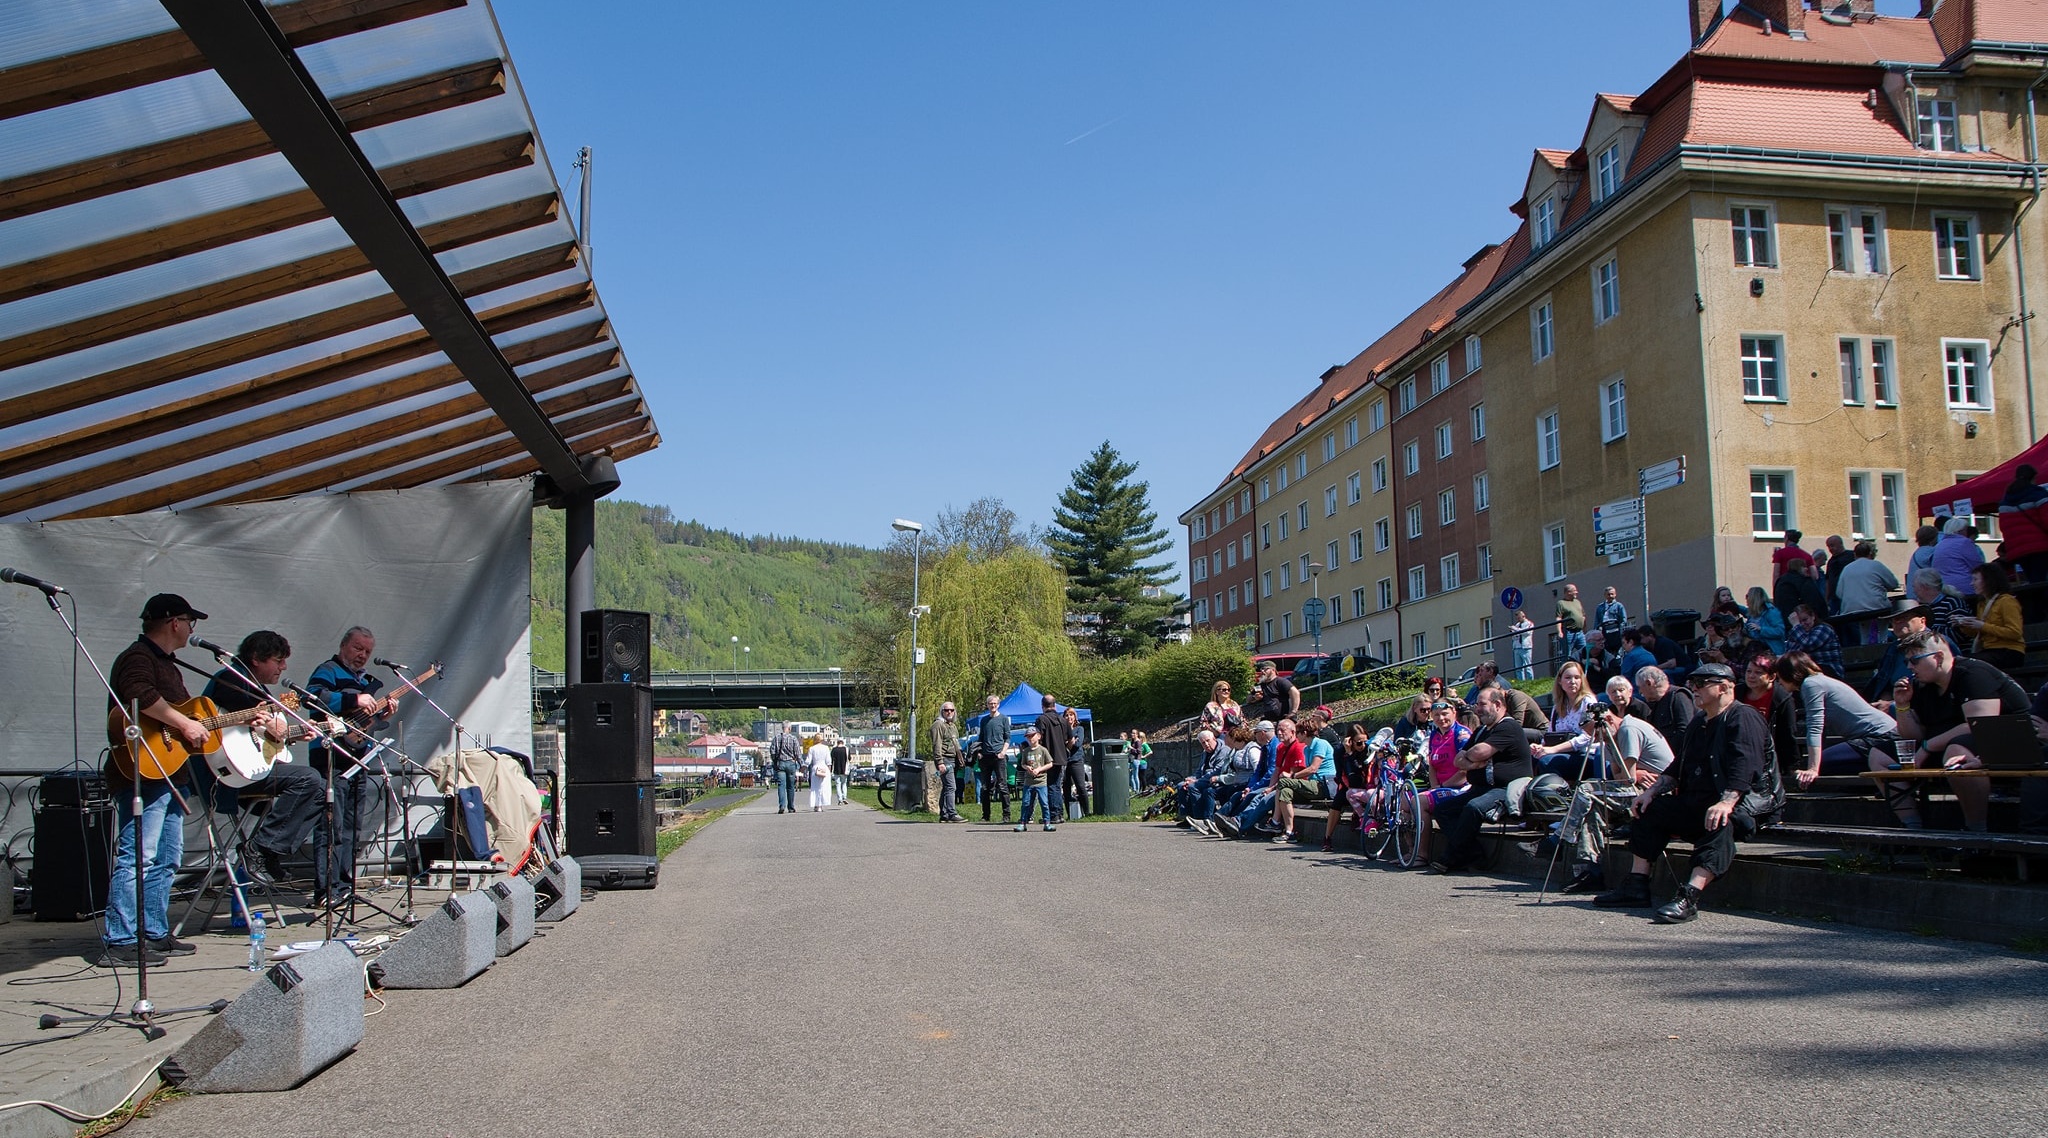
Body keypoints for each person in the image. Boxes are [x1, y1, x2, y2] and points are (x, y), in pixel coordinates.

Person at [1597, 662, 1783, 923]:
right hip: (1698, 800)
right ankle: (1636, 886)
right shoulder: (1700, 720)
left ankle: (1690, 896)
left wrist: (1726, 802)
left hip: (1745, 804)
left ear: (1724, 687)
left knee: (1719, 821)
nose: (1693, 689)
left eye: (1701, 684)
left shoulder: (1744, 717)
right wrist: (1652, 792)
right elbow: (1678, 764)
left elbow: (1746, 767)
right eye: (1692, 683)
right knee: (1648, 810)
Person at [101, 594, 213, 966]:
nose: (191, 630)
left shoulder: (168, 664)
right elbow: (137, 695)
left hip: (169, 772)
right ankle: (120, 937)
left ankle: (152, 930)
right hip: (143, 771)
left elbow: (190, 720)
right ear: (175, 623)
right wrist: (182, 723)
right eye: (190, 622)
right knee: (139, 855)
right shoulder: (138, 658)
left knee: (166, 857)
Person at [200, 630, 326, 887]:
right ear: (256, 658)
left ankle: (270, 848)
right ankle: (261, 847)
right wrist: (273, 725)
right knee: (309, 779)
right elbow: (249, 718)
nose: (284, 667)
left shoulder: (254, 687)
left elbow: (252, 737)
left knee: (324, 789)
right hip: (224, 775)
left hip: (246, 770)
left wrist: (291, 735)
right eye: (278, 660)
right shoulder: (230, 678)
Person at [1891, 630, 2028, 831]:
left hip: (2009, 743)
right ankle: (1913, 828)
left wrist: (1928, 747)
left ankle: (1977, 831)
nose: (1910, 667)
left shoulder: (1974, 674)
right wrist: (1901, 706)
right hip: (1952, 744)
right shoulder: (1921, 685)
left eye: (1915, 660)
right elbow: (1912, 736)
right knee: (1879, 755)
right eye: (1907, 662)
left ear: (1938, 657)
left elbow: (1980, 725)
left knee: (1956, 754)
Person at [305, 626, 399, 904]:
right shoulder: (328, 670)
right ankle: (327, 890)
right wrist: (352, 698)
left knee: (351, 826)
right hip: (330, 755)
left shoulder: (367, 680)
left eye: (368, 652)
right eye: (358, 648)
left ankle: (345, 886)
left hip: (358, 757)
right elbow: (311, 698)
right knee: (330, 824)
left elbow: (364, 720)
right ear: (344, 645)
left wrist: (383, 710)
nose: (362, 655)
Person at [1554, 698, 1675, 894]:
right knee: (1592, 809)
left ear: (1608, 720)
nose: (1596, 738)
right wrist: (1634, 774)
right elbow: (1621, 775)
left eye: (1596, 732)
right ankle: (1592, 873)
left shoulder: (1628, 729)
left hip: (1656, 793)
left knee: (1586, 789)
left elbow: (1625, 778)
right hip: (1637, 790)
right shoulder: (1611, 739)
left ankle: (1557, 841)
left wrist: (1634, 775)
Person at [1433, 687, 1538, 873]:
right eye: (1477, 705)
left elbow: (1479, 752)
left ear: (1497, 705)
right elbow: (1458, 759)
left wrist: (1471, 756)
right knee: (1443, 809)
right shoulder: (1482, 730)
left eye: (1482, 704)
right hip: (1480, 787)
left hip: (1506, 788)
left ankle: (1449, 858)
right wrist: (1473, 764)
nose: (1477, 709)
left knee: (1473, 808)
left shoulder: (1508, 726)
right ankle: (1474, 855)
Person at [1772, 652, 1897, 788]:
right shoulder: (1819, 680)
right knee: (1824, 762)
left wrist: (1813, 768)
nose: (1779, 682)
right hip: (1877, 735)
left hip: (1880, 737)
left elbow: (1815, 726)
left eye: (1780, 677)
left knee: (1824, 764)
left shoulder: (1811, 684)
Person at [1412, 701, 1472, 866]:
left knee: (1420, 801)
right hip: (1440, 786)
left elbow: (1465, 771)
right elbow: (1432, 765)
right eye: (1436, 715)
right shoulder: (1434, 735)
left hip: (1460, 787)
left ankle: (1422, 854)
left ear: (1453, 712)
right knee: (1404, 800)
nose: (1441, 718)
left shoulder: (1462, 735)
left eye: (1445, 714)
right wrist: (1434, 786)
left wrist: (1442, 786)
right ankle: (1410, 852)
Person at [1272, 713, 1336, 844]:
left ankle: (1275, 821)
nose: (1296, 735)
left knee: (1284, 781)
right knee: (1285, 792)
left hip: (1323, 784)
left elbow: (1313, 768)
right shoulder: (1307, 749)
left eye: (1298, 732)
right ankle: (1290, 832)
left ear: (1304, 733)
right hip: (1312, 784)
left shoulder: (1320, 744)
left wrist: (1292, 776)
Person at [1955, 562, 2025, 672]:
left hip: (2008, 651)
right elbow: (1978, 633)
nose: (1971, 584)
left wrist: (1983, 625)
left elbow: (2015, 632)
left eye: (1975, 579)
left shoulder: (2007, 601)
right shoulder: (1982, 603)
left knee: (1965, 664)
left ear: (1988, 580)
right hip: (1988, 650)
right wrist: (1964, 624)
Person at [1999, 463, 2048, 583]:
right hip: (2039, 547)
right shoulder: (2038, 494)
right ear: (2032, 478)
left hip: (2017, 551)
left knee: (2030, 583)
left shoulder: (2006, 499)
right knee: (2041, 583)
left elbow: (2003, 527)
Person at [1636, 666, 1695, 754]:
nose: (1640, 692)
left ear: (1649, 683)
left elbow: (1686, 730)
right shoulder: (1656, 704)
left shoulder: (1679, 697)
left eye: (1640, 687)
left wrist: (1666, 752)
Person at [976, 695, 1012, 824]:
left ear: (998, 704)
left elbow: (1008, 738)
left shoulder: (1003, 719)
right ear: (987, 705)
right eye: (990, 703)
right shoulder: (984, 720)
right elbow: (980, 738)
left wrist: (1003, 752)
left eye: (995, 703)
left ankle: (1006, 815)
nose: (993, 705)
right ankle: (986, 815)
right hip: (985, 757)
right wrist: (979, 752)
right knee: (985, 787)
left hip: (998, 756)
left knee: (1002, 786)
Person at [1785, 603, 1845, 679]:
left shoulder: (1824, 629)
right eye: (1799, 622)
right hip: (1808, 672)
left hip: (1830, 671)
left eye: (1805, 620)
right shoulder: (1798, 633)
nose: (1802, 624)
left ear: (1813, 616)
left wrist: (1796, 626)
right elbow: (1791, 654)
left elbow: (1809, 645)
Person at [1015, 725, 1056, 832]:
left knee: (1044, 803)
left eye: (1032, 736)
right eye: (1028, 737)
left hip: (1041, 781)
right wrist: (1027, 767)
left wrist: (1040, 769)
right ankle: (1023, 823)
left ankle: (1047, 822)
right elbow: (1023, 764)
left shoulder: (1043, 750)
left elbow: (1050, 763)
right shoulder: (1026, 751)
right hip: (1028, 781)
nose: (1030, 738)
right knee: (1026, 803)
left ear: (1038, 736)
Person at [1932, 516, 1986, 597]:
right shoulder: (1964, 542)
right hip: (1964, 588)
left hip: (1944, 588)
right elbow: (1977, 566)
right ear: (1961, 531)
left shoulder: (1940, 544)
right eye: (1966, 530)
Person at [930, 701, 964, 822]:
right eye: (946, 710)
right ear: (942, 711)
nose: (949, 712)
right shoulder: (938, 725)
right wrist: (940, 762)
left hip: (952, 758)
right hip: (944, 758)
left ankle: (944, 814)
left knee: (946, 787)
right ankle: (952, 813)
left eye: (951, 710)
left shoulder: (952, 726)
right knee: (951, 787)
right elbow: (937, 744)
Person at [1250, 659, 1300, 724]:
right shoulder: (1260, 685)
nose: (1262, 671)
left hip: (1284, 719)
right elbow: (1248, 699)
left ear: (1273, 670)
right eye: (1261, 669)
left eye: (1265, 669)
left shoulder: (1280, 681)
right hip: (1269, 721)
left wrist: (1293, 712)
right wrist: (1254, 697)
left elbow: (1295, 692)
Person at [767, 723, 802, 815]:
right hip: (791, 763)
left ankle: (782, 806)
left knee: (781, 785)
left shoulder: (776, 738)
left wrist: (775, 761)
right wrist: (801, 764)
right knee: (790, 786)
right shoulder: (793, 739)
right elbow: (798, 753)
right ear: (789, 728)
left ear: (782, 728)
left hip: (780, 763)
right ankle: (791, 807)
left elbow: (772, 751)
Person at [1061, 705, 1089, 817]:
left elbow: (1078, 744)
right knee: (1066, 788)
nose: (1069, 717)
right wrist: (1071, 741)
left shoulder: (1079, 729)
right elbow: (1061, 745)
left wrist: (1068, 742)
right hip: (1064, 761)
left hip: (1076, 760)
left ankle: (1086, 812)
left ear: (1075, 717)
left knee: (1080, 786)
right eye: (1067, 715)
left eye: (1071, 715)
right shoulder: (1061, 731)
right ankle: (1070, 814)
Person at [1743, 586, 1787, 655]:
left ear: (1754, 598)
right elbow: (1742, 609)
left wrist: (1761, 629)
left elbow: (1780, 631)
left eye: (1747, 596)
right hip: (1757, 651)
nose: (1746, 599)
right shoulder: (1752, 613)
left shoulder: (1771, 612)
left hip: (1773, 652)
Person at [1554, 583, 1587, 666]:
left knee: (1585, 652)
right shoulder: (1561, 603)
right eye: (1574, 591)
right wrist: (1559, 631)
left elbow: (1583, 616)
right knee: (1567, 655)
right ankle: (1564, 673)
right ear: (1568, 592)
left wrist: (1585, 628)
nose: (1577, 592)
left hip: (1579, 632)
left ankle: (1585, 672)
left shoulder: (1577, 602)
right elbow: (1559, 618)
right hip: (1568, 632)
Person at [1821, 535, 1850, 613]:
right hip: (1834, 598)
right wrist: (1826, 599)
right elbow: (1828, 580)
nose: (1830, 549)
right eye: (1828, 546)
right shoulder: (1831, 561)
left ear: (1840, 544)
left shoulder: (1850, 556)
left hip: (1848, 596)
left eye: (1832, 545)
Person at [806, 733, 834, 812]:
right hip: (824, 768)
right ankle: (821, 805)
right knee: (823, 787)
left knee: (815, 787)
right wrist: (829, 771)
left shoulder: (812, 748)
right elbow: (829, 761)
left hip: (816, 768)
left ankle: (816, 805)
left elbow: (808, 760)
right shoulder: (826, 748)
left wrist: (803, 767)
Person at [1509, 610, 1536, 680]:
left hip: (1526, 647)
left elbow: (1526, 632)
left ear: (1523, 616)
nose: (1518, 620)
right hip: (1517, 647)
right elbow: (1515, 635)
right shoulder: (1517, 625)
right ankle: (1521, 681)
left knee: (1528, 666)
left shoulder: (1529, 624)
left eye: (1519, 618)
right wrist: (1512, 632)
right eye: (1517, 618)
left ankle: (1530, 681)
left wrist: (1515, 629)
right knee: (1518, 667)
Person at [829, 735, 851, 806]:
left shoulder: (834, 750)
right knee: (844, 784)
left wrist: (830, 770)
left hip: (836, 770)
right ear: (843, 742)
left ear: (837, 742)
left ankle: (840, 799)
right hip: (844, 770)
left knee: (838, 785)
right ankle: (844, 797)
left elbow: (831, 760)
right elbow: (849, 758)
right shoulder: (846, 749)